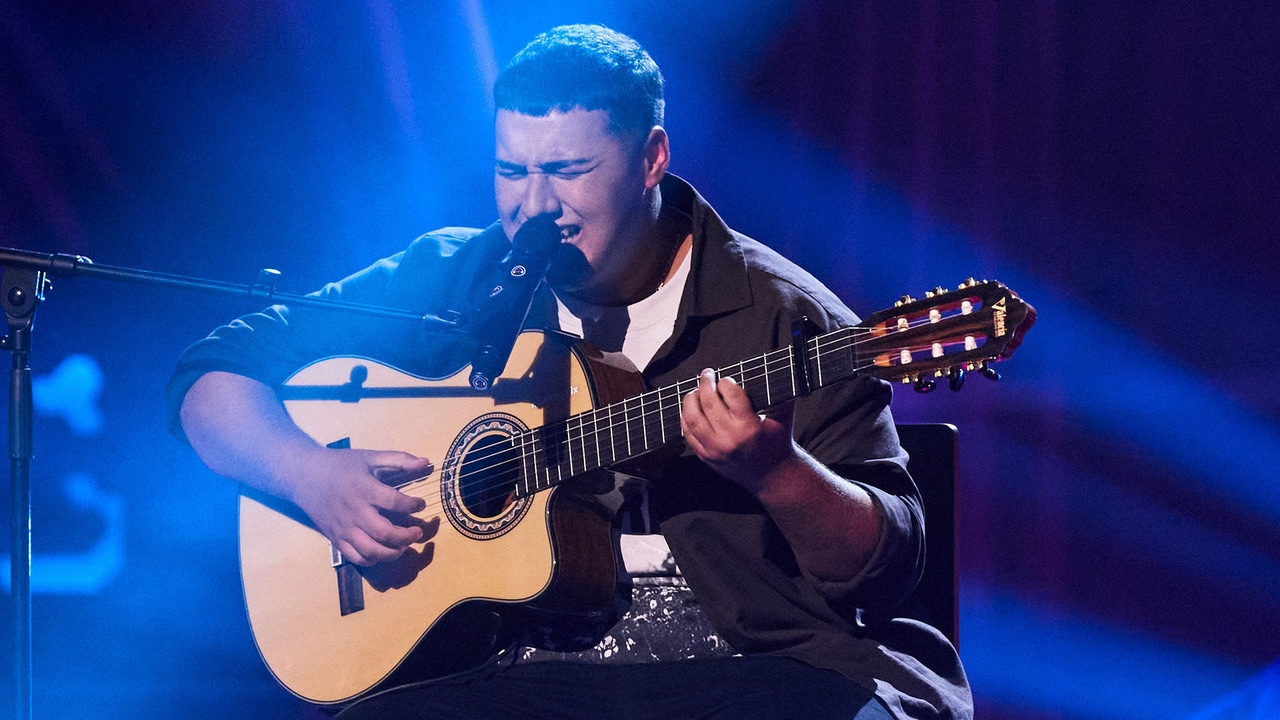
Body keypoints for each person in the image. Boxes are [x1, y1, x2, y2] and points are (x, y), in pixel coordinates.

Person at [168, 24, 971, 720]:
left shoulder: (786, 316)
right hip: (511, 669)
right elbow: (212, 374)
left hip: (749, 668)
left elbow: (882, 570)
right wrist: (310, 473)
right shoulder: (456, 277)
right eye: (511, 171)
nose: (534, 205)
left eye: (567, 170)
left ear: (651, 158)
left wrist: (777, 471)